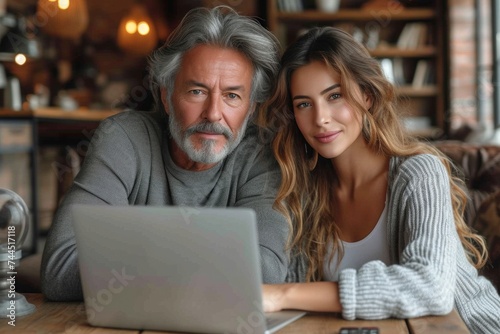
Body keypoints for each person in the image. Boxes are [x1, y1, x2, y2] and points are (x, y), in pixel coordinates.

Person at [260, 26, 500, 333]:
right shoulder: (304, 190)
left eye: (335, 96)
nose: (320, 118)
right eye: (303, 104)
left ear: (368, 96)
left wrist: (283, 295)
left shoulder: (418, 173)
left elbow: (429, 287)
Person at [41, 6, 289, 301]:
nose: (213, 114)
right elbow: (60, 269)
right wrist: (214, 259)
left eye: (232, 96)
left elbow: (266, 273)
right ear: (166, 97)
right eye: (196, 91)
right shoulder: (124, 139)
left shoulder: (262, 156)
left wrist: (128, 255)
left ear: (250, 109)